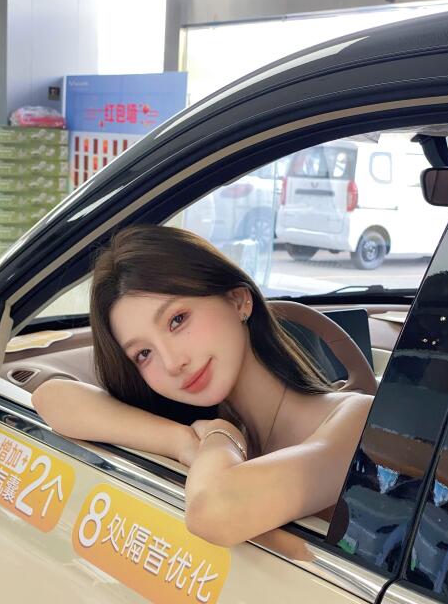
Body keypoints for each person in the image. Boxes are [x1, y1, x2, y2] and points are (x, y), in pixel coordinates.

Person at [32, 225, 373, 547]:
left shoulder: (356, 417)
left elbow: (216, 511)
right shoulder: (200, 432)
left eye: (177, 320)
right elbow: (51, 398)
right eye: (143, 354)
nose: (172, 363)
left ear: (238, 300)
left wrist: (219, 437)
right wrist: (179, 441)